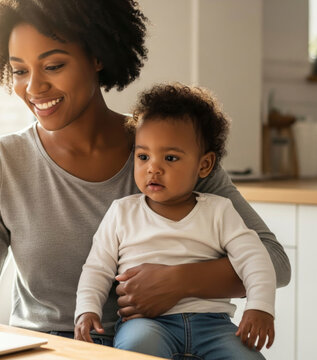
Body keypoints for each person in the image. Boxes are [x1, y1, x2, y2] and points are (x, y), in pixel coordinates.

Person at [0, 0, 290, 347]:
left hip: (155, 345)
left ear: (96, 55)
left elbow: (274, 260)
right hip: (45, 348)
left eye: (53, 65)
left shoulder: (166, 151)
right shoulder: (2, 161)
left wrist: (178, 282)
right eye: (19, 71)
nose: (33, 87)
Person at [74, 83, 275, 359]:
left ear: (204, 165)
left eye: (170, 157)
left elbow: (255, 258)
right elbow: (97, 268)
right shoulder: (122, 212)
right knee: (136, 348)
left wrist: (260, 307)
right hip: (145, 323)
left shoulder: (220, 211)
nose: (153, 168)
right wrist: (87, 310)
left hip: (214, 326)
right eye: (143, 156)